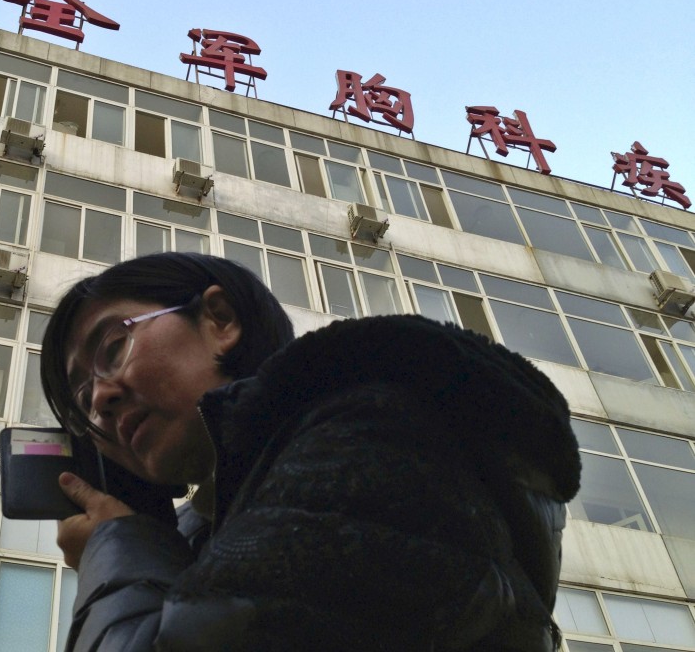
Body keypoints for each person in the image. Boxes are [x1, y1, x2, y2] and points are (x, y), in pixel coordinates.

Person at [40, 252, 580, 652]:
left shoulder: (372, 429)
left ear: (220, 320)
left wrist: (119, 546)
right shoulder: (210, 528)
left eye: (113, 349)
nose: (102, 399)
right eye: (83, 397)